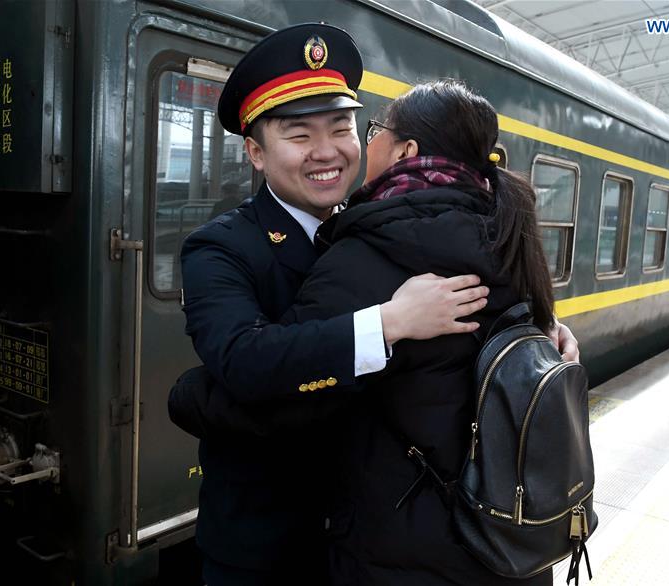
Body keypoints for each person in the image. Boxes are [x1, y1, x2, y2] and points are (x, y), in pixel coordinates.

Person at [180, 24, 498, 586]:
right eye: (299, 135)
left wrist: (541, 332)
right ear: (256, 152)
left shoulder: (377, 226)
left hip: (366, 538)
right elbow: (243, 360)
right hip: (265, 547)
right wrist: (388, 324)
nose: (327, 153)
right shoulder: (222, 248)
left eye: (341, 127)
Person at [280, 80, 561, 585]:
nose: (368, 144)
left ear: (406, 150)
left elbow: (285, 391)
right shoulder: (509, 234)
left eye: (375, 131)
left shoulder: (366, 253)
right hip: (507, 546)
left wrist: (191, 397)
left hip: (403, 554)